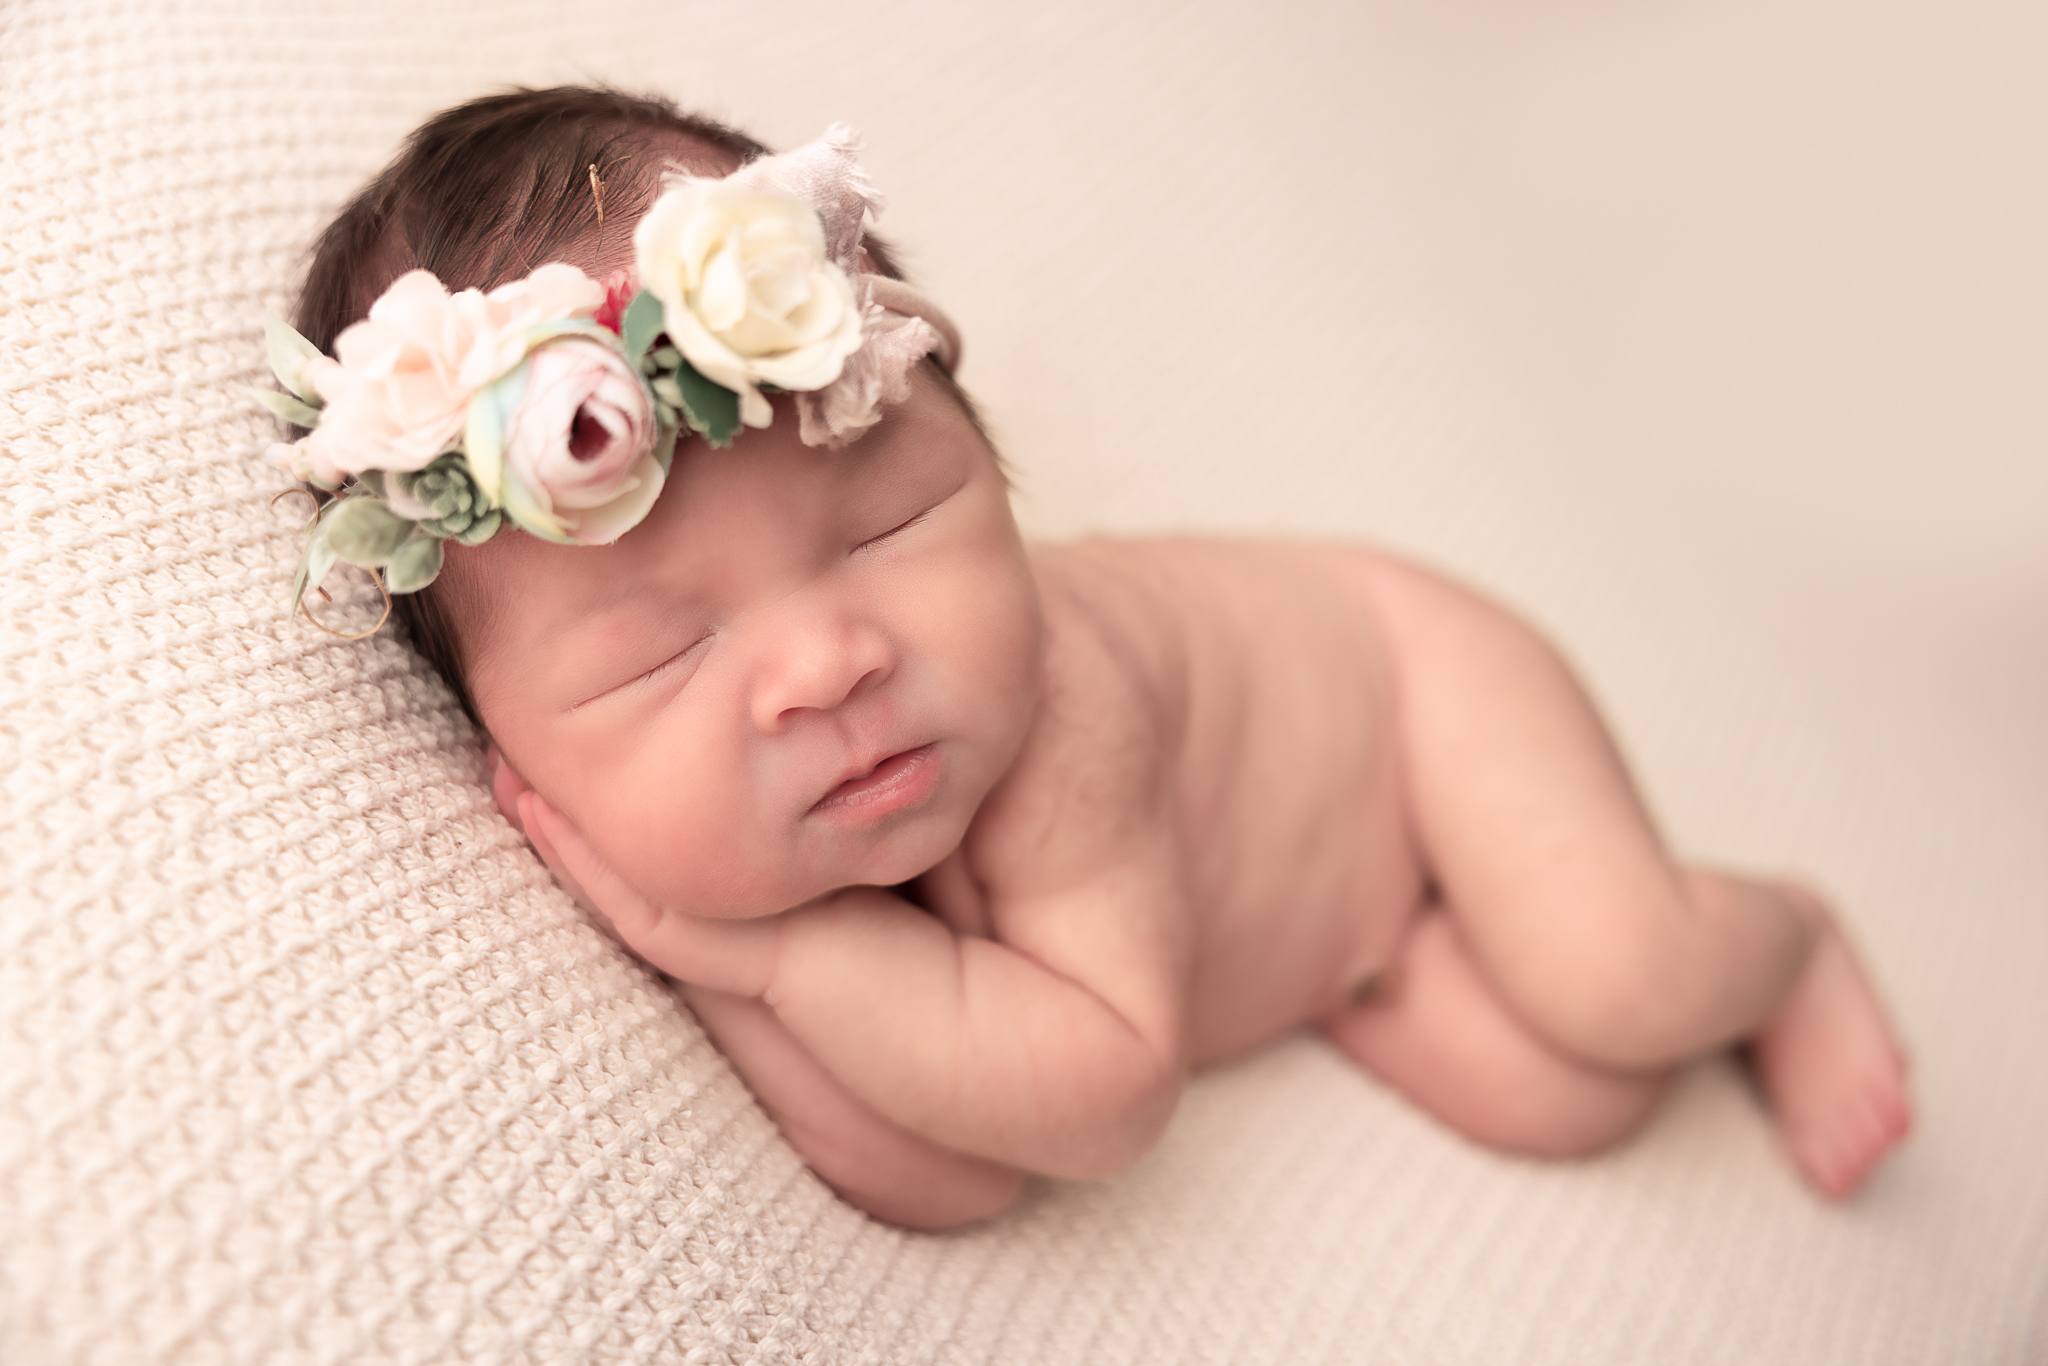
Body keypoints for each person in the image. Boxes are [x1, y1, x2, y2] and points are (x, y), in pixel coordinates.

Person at [262, 85, 1911, 1231]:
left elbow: (1105, 1093)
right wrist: (728, 962)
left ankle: (1787, 933)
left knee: (1616, 971)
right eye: (660, 656)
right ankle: (1368, 943)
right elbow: (954, 1170)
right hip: (1330, 918)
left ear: (971, 436)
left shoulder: (1065, 705)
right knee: (1559, 1094)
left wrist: (769, 961)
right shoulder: (799, 808)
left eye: (886, 527)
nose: (830, 659)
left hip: (1408, 691)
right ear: (516, 750)